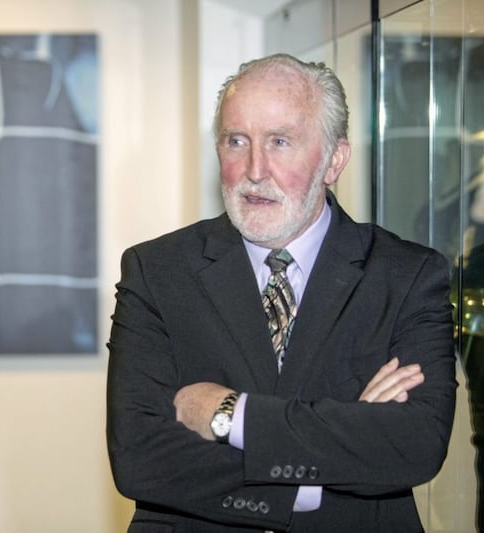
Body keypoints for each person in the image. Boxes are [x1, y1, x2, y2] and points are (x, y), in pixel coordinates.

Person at [106, 53, 457, 532]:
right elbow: (140, 456)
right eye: (237, 141)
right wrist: (324, 467)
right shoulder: (157, 271)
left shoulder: (406, 276)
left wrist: (231, 415)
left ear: (334, 159)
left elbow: (413, 444)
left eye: (280, 142)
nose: (254, 169)